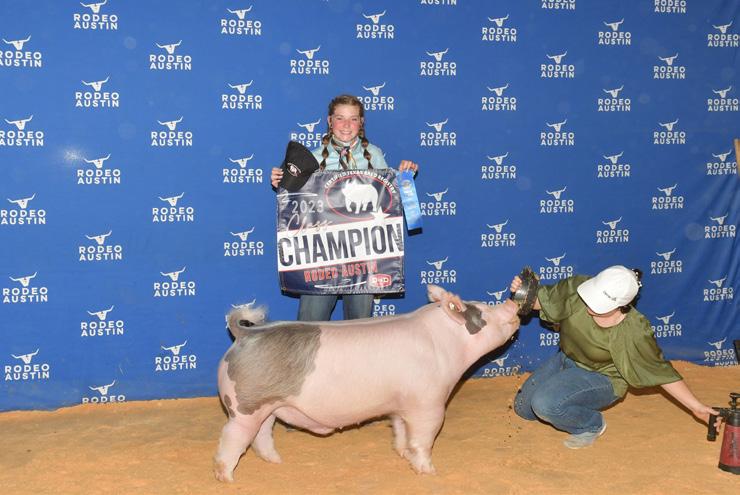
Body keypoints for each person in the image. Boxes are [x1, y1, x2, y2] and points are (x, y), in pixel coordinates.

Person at [510, 265, 718, 449]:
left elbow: (660, 372)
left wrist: (697, 407)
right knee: (523, 408)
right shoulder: (578, 289)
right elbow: (541, 301)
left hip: (603, 378)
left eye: (599, 304)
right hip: (566, 359)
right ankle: (563, 391)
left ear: (621, 305)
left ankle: (592, 424)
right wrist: (522, 291)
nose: (590, 305)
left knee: (545, 404)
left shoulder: (633, 330)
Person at [271, 94, 419, 321]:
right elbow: (295, 200)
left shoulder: (374, 155)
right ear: (330, 121)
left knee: (359, 324)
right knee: (311, 323)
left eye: (353, 119)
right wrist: (281, 182)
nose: (346, 125)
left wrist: (404, 177)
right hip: (322, 255)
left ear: (361, 122)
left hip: (364, 253)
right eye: (340, 118)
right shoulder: (310, 158)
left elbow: (388, 196)